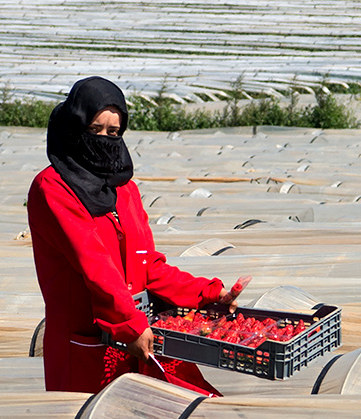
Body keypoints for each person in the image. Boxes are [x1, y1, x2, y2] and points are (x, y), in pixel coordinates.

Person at [28, 77, 240, 394]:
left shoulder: (124, 189)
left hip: (133, 340)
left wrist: (209, 293)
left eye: (113, 133)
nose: (104, 140)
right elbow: (94, 264)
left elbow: (147, 265)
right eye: (94, 130)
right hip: (88, 348)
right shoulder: (53, 188)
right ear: (75, 127)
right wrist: (131, 323)